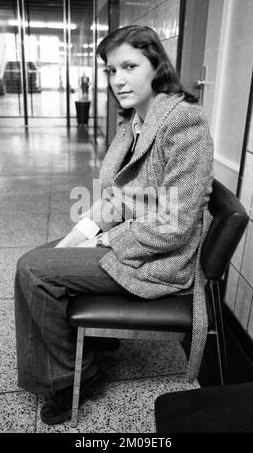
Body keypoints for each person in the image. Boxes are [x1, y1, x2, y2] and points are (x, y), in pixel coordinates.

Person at [14, 25, 213, 425]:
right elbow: (116, 198)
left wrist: (105, 241)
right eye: (110, 70)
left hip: (159, 259)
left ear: (156, 65)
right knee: (39, 259)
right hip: (131, 239)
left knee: (33, 271)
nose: (117, 80)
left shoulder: (182, 122)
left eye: (129, 66)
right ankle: (84, 354)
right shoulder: (135, 121)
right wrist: (79, 236)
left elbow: (174, 224)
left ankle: (73, 377)